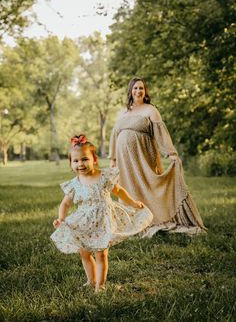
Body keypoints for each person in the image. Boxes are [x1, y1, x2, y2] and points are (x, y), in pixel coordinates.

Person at [50, 134, 153, 292]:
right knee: (84, 253)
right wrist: (61, 218)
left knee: (101, 254)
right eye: (76, 161)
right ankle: (91, 280)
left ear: (94, 159)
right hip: (84, 222)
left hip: (103, 221)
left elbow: (119, 191)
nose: (80, 164)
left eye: (85, 159)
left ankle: (100, 285)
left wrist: (133, 202)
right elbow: (65, 203)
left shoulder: (104, 176)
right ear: (70, 164)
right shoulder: (74, 184)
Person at [109, 77, 207, 237]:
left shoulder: (151, 110)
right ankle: (134, 221)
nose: (138, 91)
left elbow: (161, 134)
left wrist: (172, 153)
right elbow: (115, 135)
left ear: (145, 91)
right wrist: (113, 159)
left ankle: (155, 217)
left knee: (147, 185)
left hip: (142, 156)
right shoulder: (123, 112)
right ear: (130, 91)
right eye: (135, 88)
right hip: (124, 160)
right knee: (128, 188)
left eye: (141, 88)